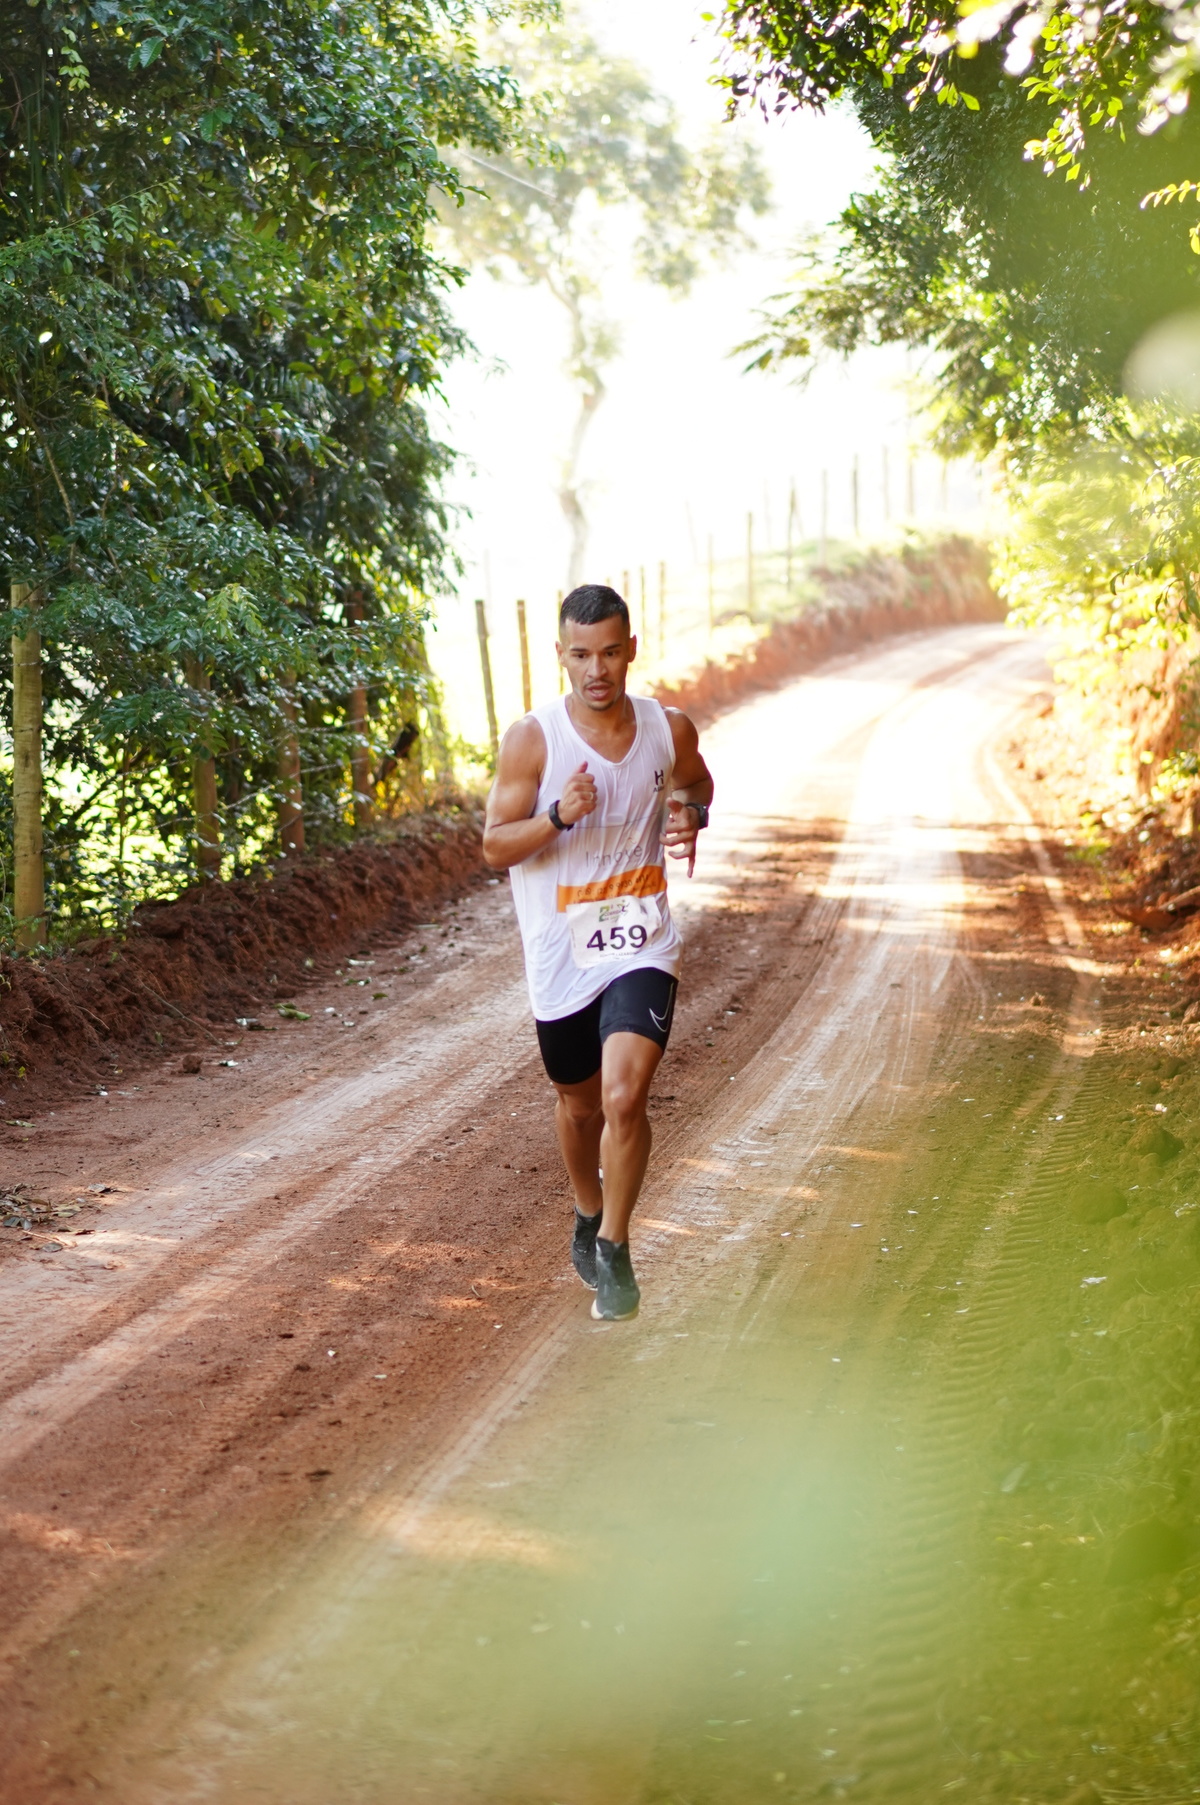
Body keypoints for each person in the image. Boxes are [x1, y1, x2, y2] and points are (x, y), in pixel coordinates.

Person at [482, 583, 714, 1321]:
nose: (597, 670)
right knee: (580, 1107)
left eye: (610, 653)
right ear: (561, 655)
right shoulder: (534, 740)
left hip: (641, 939)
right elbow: (494, 846)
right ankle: (588, 1209)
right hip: (562, 953)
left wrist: (691, 813)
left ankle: (614, 1245)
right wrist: (556, 815)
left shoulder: (666, 729)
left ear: (631, 650)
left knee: (623, 1096)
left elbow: (697, 783)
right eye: (581, 655)